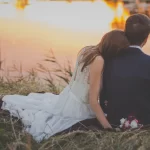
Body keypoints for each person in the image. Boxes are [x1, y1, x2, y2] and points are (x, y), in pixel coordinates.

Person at [1, 30, 129, 142]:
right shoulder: (99, 60)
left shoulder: (87, 49)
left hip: (68, 96)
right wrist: (107, 126)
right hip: (79, 107)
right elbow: (92, 100)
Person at [100, 14, 150, 127]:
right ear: (146, 38)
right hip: (145, 121)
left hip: (113, 119)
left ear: (125, 33)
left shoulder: (108, 60)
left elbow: (103, 97)